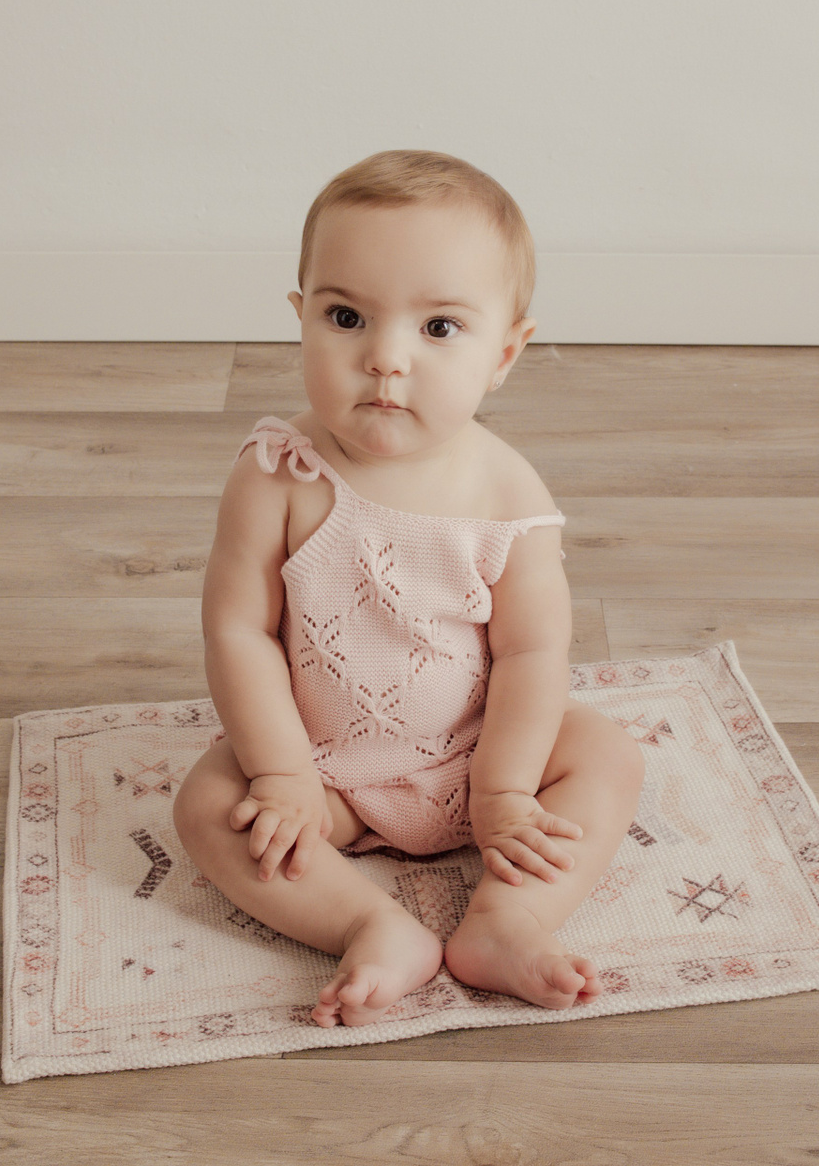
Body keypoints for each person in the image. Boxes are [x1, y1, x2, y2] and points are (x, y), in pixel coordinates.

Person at [175, 149, 646, 1028]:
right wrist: (281, 775)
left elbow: (532, 654)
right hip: (328, 774)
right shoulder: (278, 474)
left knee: (608, 756)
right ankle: (369, 925)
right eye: (347, 317)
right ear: (300, 319)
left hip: (477, 755)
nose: (385, 359)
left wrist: (504, 791)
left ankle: (508, 920)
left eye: (438, 328)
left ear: (505, 352)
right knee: (209, 806)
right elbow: (238, 632)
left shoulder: (509, 497)